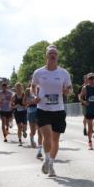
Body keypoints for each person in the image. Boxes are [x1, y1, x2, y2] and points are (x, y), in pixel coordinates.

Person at [32, 45, 73, 177]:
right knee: (47, 137)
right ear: (47, 56)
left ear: (57, 56)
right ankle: (47, 158)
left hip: (58, 110)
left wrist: (67, 91)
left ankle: (50, 163)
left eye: (55, 53)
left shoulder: (63, 73)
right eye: (50, 53)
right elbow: (33, 86)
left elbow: (70, 89)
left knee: (55, 140)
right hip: (43, 109)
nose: (53, 55)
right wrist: (35, 96)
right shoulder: (39, 72)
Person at [26, 82, 41, 151]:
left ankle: (40, 146)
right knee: (33, 131)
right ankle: (32, 140)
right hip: (31, 112)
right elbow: (26, 102)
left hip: (39, 111)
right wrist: (34, 101)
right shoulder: (28, 91)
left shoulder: (39, 90)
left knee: (40, 129)